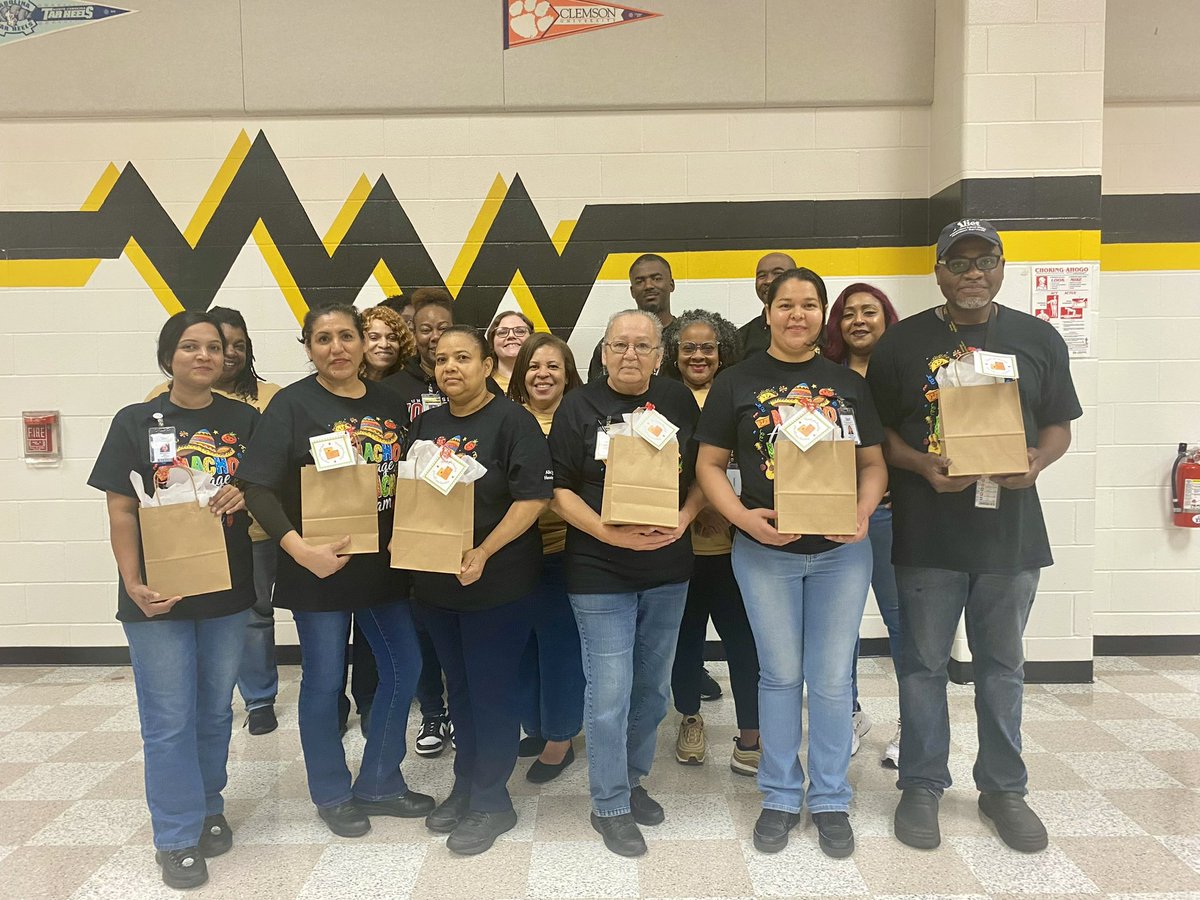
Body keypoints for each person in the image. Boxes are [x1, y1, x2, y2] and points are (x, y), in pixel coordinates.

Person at [867, 219, 1082, 854]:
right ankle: (923, 784)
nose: (971, 274)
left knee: (1002, 667)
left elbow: (1059, 425)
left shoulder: (1036, 337)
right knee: (924, 666)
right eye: (957, 263)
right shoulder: (903, 343)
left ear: (1002, 266)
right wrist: (921, 466)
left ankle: (1003, 789)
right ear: (937, 272)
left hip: (1010, 537)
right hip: (928, 533)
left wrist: (1036, 465)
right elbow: (877, 434)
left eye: (984, 261)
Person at [694, 268, 888, 859]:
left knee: (832, 679)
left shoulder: (847, 384)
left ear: (822, 313)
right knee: (777, 675)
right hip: (764, 553)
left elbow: (874, 464)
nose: (796, 314)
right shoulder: (737, 382)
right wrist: (742, 519)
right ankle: (779, 794)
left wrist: (860, 515)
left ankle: (829, 797)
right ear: (769, 311)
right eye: (786, 304)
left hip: (841, 556)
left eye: (809, 304)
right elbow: (708, 465)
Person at [239, 303, 434, 838]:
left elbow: (412, 476)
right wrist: (298, 549)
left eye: (346, 336)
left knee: (404, 667)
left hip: (383, 565)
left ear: (362, 342)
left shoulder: (390, 403)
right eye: (323, 339)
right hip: (316, 567)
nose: (337, 348)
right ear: (308, 347)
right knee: (325, 680)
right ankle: (330, 791)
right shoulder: (291, 405)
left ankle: (379, 781)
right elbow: (257, 484)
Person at [89, 311, 258, 890]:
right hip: (154, 592)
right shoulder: (135, 421)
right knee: (167, 720)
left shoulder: (245, 421)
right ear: (168, 357)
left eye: (214, 347)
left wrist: (246, 494)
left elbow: (266, 494)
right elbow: (120, 508)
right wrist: (132, 582)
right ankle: (176, 836)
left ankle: (210, 806)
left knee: (214, 710)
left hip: (226, 588)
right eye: (190, 347)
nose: (204, 356)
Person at [549, 309, 706, 857]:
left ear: (660, 355)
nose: (631, 355)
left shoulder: (678, 401)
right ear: (604, 352)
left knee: (653, 688)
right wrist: (609, 536)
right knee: (610, 690)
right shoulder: (578, 406)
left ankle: (633, 777)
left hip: (667, 566)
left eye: (643, 346)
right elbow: (560, 491)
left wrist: (685, 520)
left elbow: (703, 473)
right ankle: (609, 802)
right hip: (598, 569)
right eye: (620, 345)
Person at [406, 325, 554, 854]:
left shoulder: (513, 423)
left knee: (492, 691)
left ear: (488, 364)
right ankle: (466, 785)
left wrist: (484, 551)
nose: (450, 368)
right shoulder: (426, 426)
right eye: (441, 359)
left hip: (499, 582)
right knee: (460, 688)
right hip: (438, 585)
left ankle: (493, 801)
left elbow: (533, 498)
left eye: (463, 358)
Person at [145, 306, 283, 737]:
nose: (224, 355)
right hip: (182, 535)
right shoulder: (153, 405)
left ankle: (259, 698)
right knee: (187, 621)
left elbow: (274, 467)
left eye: (231, 347)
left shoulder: (264, 401)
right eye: (196, 346)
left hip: (251, 534)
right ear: (172, 356)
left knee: (254, 616)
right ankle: (203, 701)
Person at [660, 310, 762, 776]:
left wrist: (724, 512)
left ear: (723, 351)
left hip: (740, 546)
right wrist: (696, 511)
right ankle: (690, 718)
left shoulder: (741, 394)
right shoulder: (662, 401)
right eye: (688, 347)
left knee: (745, 643)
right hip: (680, 545)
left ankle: (752, 734)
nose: (698, 355)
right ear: (674, 354)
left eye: (707, 347)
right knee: (685, 642)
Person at [825, 283, 903, 764]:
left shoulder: (906, 373)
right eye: (848, 313)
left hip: (896, 515)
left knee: (903, 622)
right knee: (842, 628)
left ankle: (912, 725)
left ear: (886, 317)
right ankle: (850, 716)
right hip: (835, 517)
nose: (859, 320)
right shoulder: (826, 378)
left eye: (869, 311)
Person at [381, 287, 457, 756]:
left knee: (460, 617)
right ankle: (433, 711)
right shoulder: (392, 388)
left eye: (442, 328)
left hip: (461, 516)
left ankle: (464, 709)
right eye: (424, 329)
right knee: (421, 619)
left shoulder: (469, 380)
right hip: (409, 518)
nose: (433, 337)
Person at [507, 333, 586, 783]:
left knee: (559, 650)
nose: (543, 374)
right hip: (513, 557)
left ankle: (560, 739)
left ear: (567, 375)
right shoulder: (508, 420)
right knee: (523, 648)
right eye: (534, 366)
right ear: (521, 375)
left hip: (561, 554)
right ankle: (536, 727)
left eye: (553, 366)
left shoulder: (578, 421)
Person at [586, 254, 677, 381]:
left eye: (656, 279)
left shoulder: (685, 339)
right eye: (640, 281)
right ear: (632, 291)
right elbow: (596, 392)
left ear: (671, 285)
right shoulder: (613, 343)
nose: (648, 286)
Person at [736, 252, 796, 361]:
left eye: (777, 274)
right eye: (761, 275)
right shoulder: (741, 339)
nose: (768, 281)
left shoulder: (818, 332)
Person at [361, 304, 416, 382]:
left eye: (392, 338)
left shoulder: (409, 386)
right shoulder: (343, 385)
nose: (384, 345)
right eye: (374, 338)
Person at [485, 309, 535, 393]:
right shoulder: (481, 385)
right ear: (492, 342)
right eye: (502, 332)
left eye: (520, 331)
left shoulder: (543, 382)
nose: (511, 336)